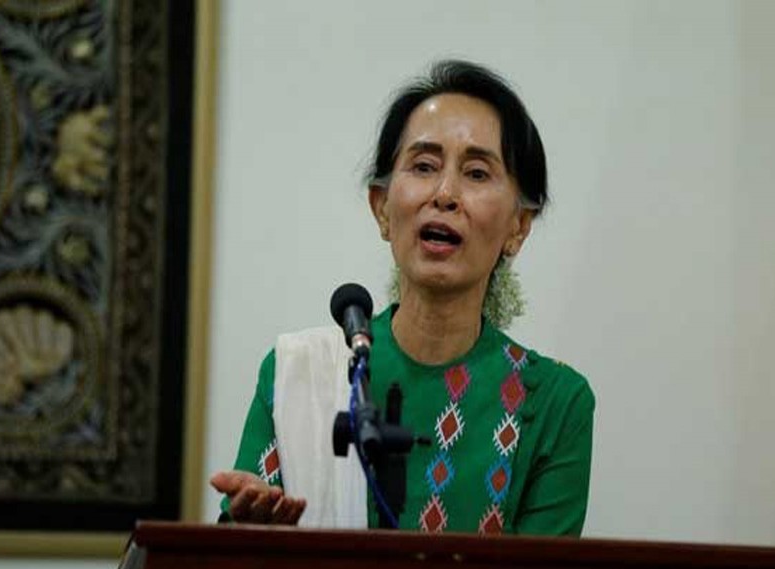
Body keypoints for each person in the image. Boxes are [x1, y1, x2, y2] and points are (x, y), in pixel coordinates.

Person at [211, 60, 595, 536]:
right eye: (424, 166)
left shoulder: (556, 403)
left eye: (477, 173)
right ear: (382, 208)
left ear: (518, 226)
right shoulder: (296, 375)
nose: (445, 193)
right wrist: (250, 536)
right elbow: (231, 560)